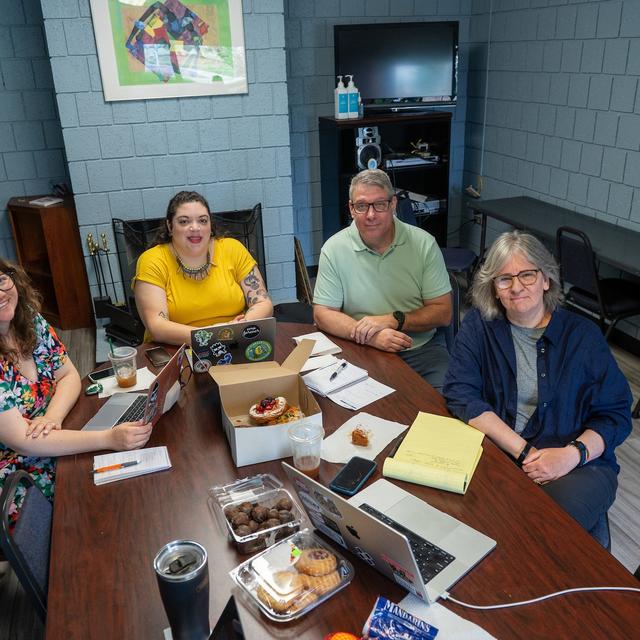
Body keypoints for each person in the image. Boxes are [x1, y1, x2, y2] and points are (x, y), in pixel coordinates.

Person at [443, 231, 632, 546]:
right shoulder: (480, 326)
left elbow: (615, 414)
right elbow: (461, 393)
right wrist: (523, 451)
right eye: (504, 279)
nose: (516, 287)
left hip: (575, 461)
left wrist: (572, 455)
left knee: (542, 530)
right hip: (501, 451)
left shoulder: (583, 337)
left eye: (527, 275)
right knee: (459, 517)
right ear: (494, 289)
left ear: (546, 280)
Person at [0, 259, 152, 524]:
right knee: (99, 511)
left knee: (135, 487)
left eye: (1, 280)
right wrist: (107, 439)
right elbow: (22, 440)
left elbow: (69, 375)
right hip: (18, 473)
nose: (1, 294)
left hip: (58, 431)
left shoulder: (30, 321)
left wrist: (52, 417)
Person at [313, 169, 452, 390]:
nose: (370, 215)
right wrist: (370, 337)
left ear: (393, 204)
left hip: (421, 349)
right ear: (351, 209)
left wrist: (394, 319)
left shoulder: (424, 244)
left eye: (379, 204)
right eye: (361, 206)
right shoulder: (334, 249)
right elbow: (323, 314)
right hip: (360, 347)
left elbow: (443, 313)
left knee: (448, 407)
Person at [133, 191, 272, 345]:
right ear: (169, 226)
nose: (195, 228)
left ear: (210, 225)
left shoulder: (233, 248)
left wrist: (242, 325)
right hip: (175, 349)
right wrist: (214, 335)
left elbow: (263, 303)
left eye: (203, 221)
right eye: (184, 221)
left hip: (234, 342)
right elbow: (157, 326)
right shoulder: (152, 260)